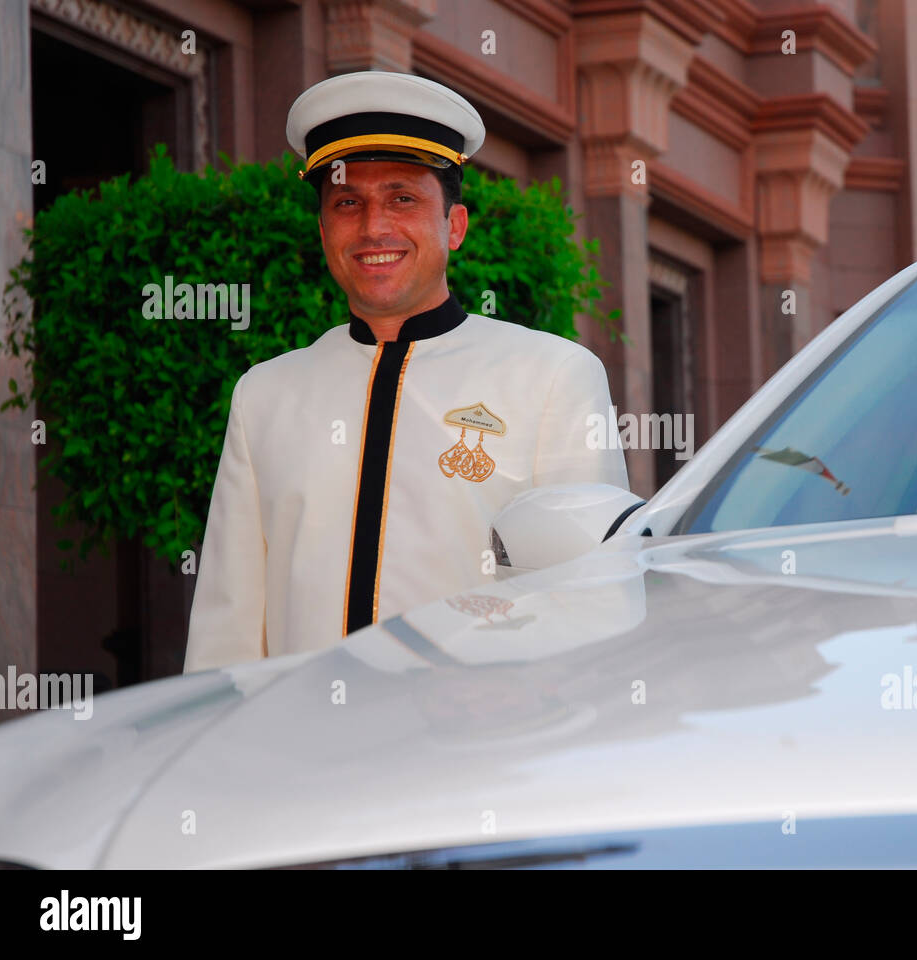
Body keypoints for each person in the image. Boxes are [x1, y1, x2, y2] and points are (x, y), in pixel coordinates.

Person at [183, 71, 628, 671]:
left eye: (402, 198)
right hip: (306, 752)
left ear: (455, 225)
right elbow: (228, 626)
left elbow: (596, 603)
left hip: (476, 754)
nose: (373, 228)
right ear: (323, 231)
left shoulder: (552, 377)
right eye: (348, 203)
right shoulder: (266, 394)